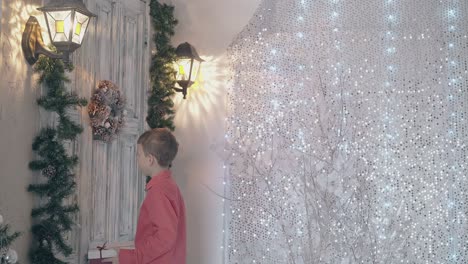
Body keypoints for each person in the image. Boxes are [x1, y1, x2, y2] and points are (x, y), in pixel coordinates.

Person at [116, 128, 186, 264]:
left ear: (150, 160)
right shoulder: (169, 185)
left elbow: (165, 237)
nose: (137, 158)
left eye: (138, 154)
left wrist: (132, 257)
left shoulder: (158, 191)